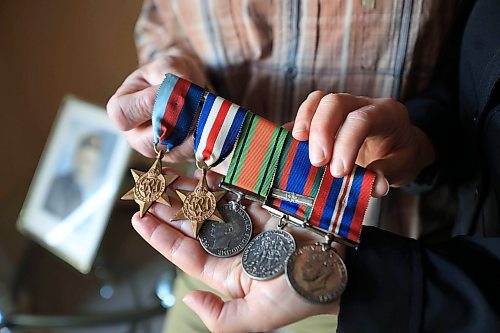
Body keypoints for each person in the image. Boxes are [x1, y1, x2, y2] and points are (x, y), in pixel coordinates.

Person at [126, 0, 500, 331]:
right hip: (211, 230)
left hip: (365, 272)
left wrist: (421, 144)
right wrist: (170, 68)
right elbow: (160, 20)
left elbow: (462, 74)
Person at [45, 133, 104, 219]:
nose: (85, 168)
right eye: (83, 160)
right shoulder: (57, 184)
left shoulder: (98, 192)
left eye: (89, 162)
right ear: (76, 157)